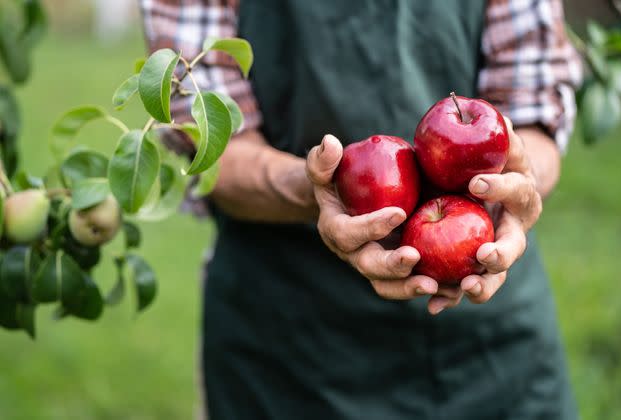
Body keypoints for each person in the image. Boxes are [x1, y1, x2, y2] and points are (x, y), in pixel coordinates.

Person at [141, 0, 582, 418]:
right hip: (289, 333)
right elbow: (216, 149)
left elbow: (534, 110)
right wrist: (320, 188)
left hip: (486, 324)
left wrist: (518, 184)